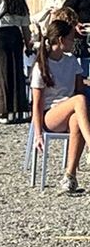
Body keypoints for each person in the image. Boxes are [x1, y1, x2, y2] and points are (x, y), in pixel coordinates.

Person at [31, 20, 90, 193]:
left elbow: (80, 89)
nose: (74, 42)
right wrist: (38, 134)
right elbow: (37, 104)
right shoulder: (42, 65)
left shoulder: (71, 61)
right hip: (51, 115)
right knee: (79, 100)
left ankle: (70, 176)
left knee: (76, 118)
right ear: (61, 40)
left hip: (71, 110)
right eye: (71, 38)